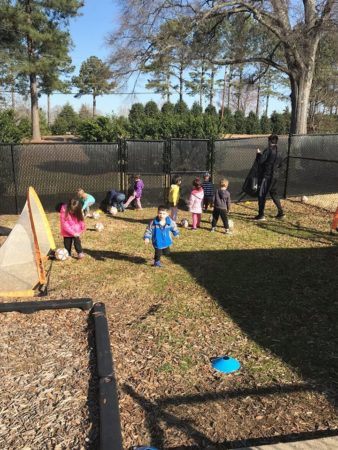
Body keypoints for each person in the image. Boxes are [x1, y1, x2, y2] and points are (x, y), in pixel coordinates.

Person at [255, 134, 284, 221]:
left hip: (267, 177)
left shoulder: (268, 151)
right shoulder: (279, 152)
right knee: (274, 194)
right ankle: (281, 213)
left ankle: (261, 215)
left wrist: (258, 154)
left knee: (261, 195)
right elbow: (281, 164)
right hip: (275, 176)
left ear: (269, 141)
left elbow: (260, 161)